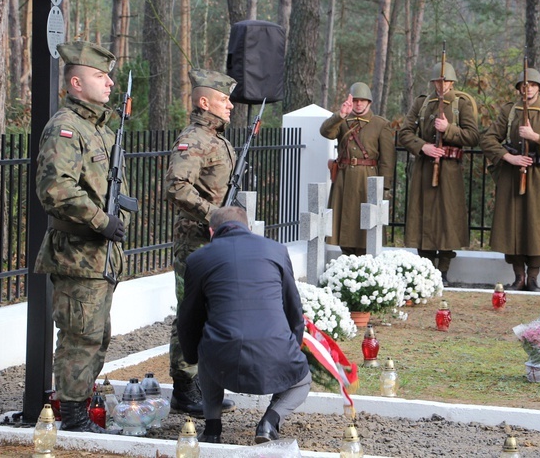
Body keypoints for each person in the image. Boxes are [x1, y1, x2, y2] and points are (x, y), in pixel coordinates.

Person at [34, 41, 126, 433]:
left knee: (96, 336)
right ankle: (71, 418)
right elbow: (54, 188)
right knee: (79, 338)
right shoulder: (66, 128)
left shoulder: (98, 128)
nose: (109, 82)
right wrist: (100, 220)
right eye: (99, 76)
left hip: (99, 256)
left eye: (108, 76)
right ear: (75, 83)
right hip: (77, 253)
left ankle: (81, 407)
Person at [177, 206, 311, 444]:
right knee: (302, 380)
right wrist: (293, 346)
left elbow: (190, 315)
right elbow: (293, 305)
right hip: (276, 349)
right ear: (248, 228)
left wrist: (192, 356)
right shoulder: (276, 250)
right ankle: (269, 423)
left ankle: (212, 429)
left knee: (207, 348)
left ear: (211, 231)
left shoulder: (198, 259)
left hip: (223, 355)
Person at [164, 69, 238, 417]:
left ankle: (206, 383)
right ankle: (184, 387)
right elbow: (177, 186)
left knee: (213, 311)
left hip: (216, 239)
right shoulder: (193, 139)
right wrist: (212, 216)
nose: (231, 106)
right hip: (196, 240)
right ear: (205, 102)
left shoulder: (217, 138)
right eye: (224, 100)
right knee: (190, 312)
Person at [479, 68, 540, 292]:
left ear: (538, 87)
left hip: (539, 177)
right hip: (513, 175)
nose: (526, 88)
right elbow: (488, 138)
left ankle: (533, 277)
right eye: (523, 85)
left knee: (537, 227)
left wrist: (535, 137)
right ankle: (518, 276)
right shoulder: (510, 111)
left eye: (531, 85)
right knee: (513, 226)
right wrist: (509, 157)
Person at [398, 62, 479, 286]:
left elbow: (473, 137)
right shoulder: (422, 103)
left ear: (452, 82)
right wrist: (422, 147)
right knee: (422, 215)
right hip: (425, 167)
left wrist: (448, 130)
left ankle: (443, 269)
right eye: (437, 81)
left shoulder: (462, 103)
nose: (441, 85)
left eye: (445, 81)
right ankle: (425, 268)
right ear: (433, 82)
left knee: (447, 218)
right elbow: (405, 133)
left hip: (450, 169)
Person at [320, 82, 396, 255]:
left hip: (367, 178)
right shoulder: (343, 121)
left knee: (366, 221)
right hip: (344, 177)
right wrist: (340, 115)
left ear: (369, 103)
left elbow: (387, 159)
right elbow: (325, 132)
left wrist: (384, 187)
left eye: (362, 101)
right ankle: (346, 255)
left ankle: (363, 258)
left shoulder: (380, 124)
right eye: (355, 100)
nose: (359, 104)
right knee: (344, 219)